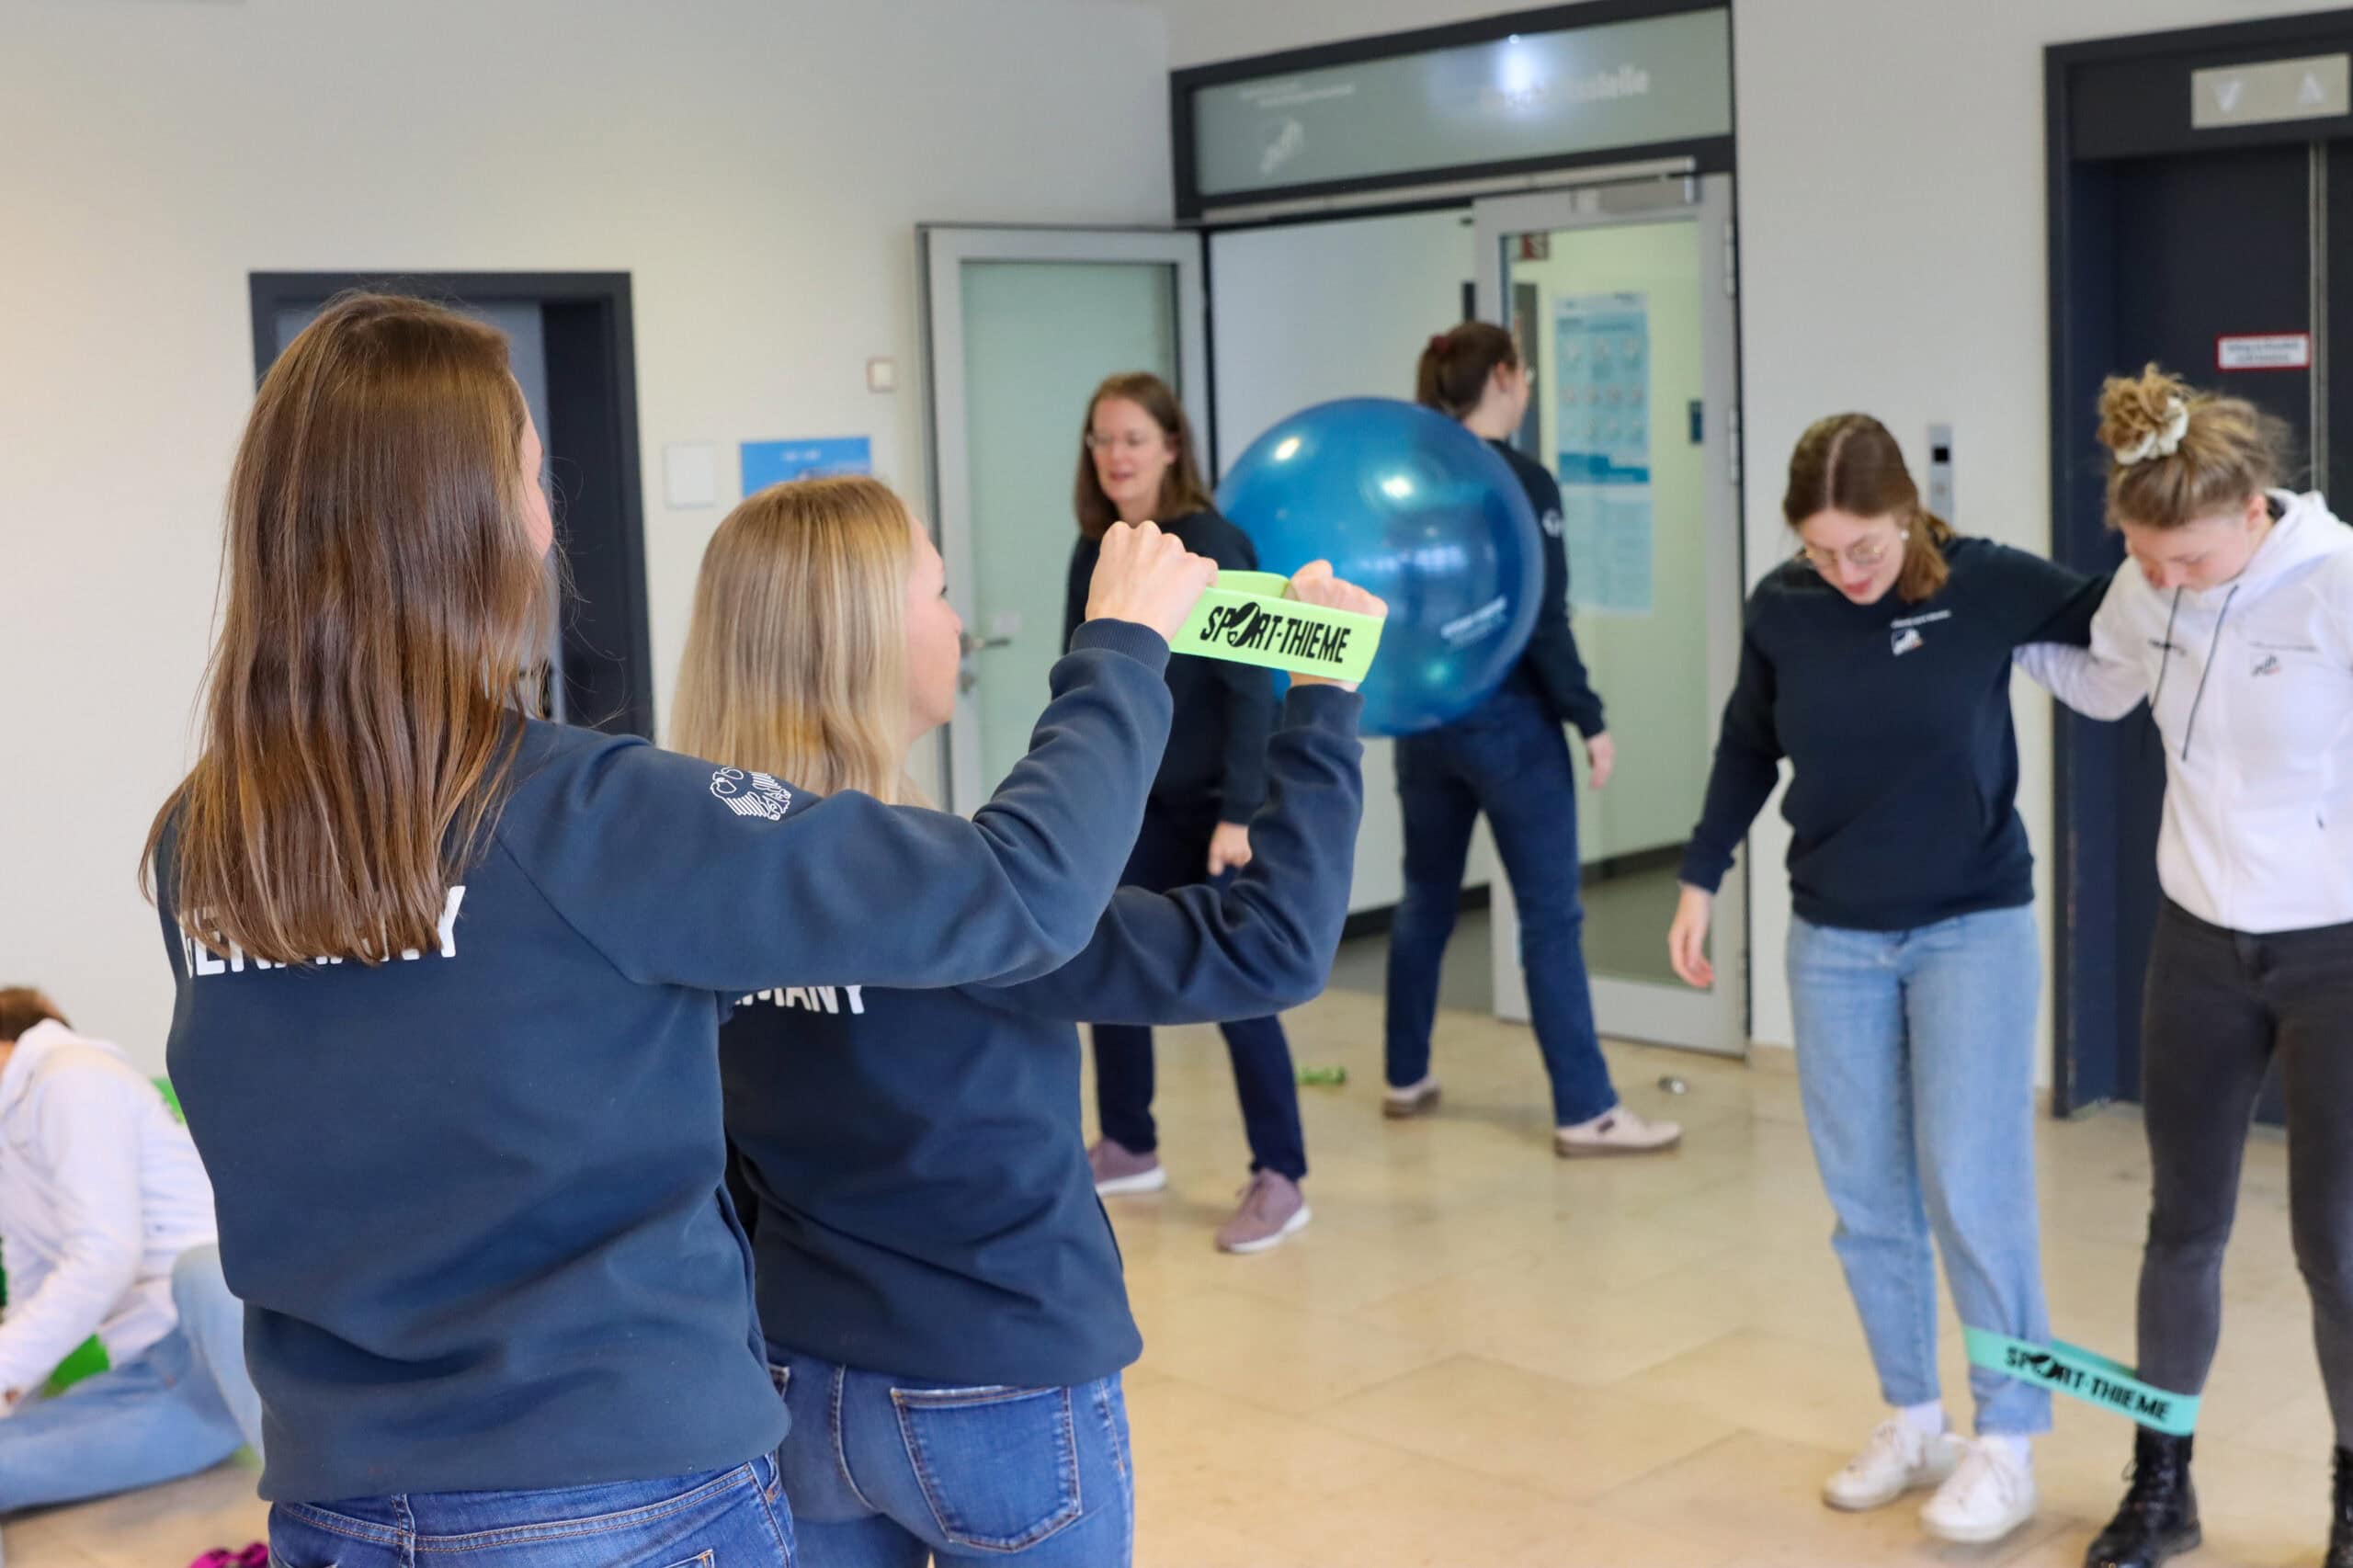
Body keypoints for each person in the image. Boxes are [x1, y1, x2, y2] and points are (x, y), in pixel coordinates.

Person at [142, 292, 1217, 1568]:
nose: (549, 526)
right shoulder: (595, 816)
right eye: (535, 479)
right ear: (473, 528)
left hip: (341, 1505)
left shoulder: (203, 838)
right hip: (617, 1499)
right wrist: (1122, 649)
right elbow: (1024, 890)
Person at [676, 477, 1379, 1567]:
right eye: (941, 590)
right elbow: (1272, 942)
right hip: (995, 1393)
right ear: (865, 639)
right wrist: (1325, 697)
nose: (959, 622)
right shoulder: (964, 897)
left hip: (794, 1382)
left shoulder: (691, 883)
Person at [1667, 414, 2105, 1545]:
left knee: (1974, 1184)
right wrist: (1699, 876)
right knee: (1866, 1199)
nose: (1844, 572)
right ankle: (1915, 1416)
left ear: (1905, 514)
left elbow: (2133, 612)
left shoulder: (1989, 582)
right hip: (1835, 934)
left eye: (1862, 547)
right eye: (1821, 551)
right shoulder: (1785, 606)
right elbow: (1744, 745)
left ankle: (2007, 1437)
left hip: (1970, 925)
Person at [2015, 366, 2353, 1568]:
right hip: (2200, 944)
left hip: (2336, 954)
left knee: (2337, 1244)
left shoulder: (2339, 581)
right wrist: (1986, 634)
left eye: (2189, 562)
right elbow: (2105, 684)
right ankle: (2164, 1484)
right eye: (2148, 560)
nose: (2168, 580)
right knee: (2182, 1227)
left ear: (2252, 509)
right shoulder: (2145, 584)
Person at [1382, 324, 1678, 1157]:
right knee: (1551, 918)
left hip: (1427, 726)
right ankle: (1585, 1109)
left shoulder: (1410, 481)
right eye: (1527, 374)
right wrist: (1589, 716)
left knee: (1423, 902)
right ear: (1506, 378)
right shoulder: (1519, 481)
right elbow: (1543, 619)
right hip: (1510, 725)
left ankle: (1404, 1075)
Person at [1063, 371, 1314, 1253]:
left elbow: (1256, 690)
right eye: (1101, 440)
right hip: (1131, 803)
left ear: (1173, 445)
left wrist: (1242, 811)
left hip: (1216, 806)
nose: (1115, 456)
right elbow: (1089, 678)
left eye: (1133, 438)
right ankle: (1129, 1143)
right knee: (1106, 969)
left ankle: (1281, 1174)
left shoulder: (1212, 544)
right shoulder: (1099, 548)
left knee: (1240, 987)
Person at [0, 989, 262, 1533]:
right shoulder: (8, 1129)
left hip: (222, 1340)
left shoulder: (69, 1075)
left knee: (202, 1270)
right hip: (159, 1378)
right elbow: (31, 1283)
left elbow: (105, 1255)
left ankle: (338, 1517)